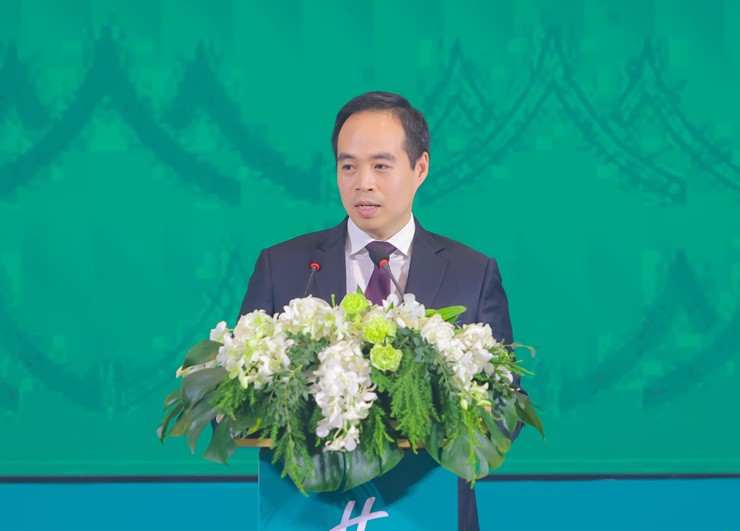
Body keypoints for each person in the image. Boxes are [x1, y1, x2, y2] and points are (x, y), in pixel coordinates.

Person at [237, 91, 523, 531]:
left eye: (381, 166)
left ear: (420, 168)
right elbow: (238, 393)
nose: (363, 183)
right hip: (312, 513)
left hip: (428, 512)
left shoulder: (472, 273)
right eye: (348, 166)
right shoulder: (285, 267)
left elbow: (507, 408)